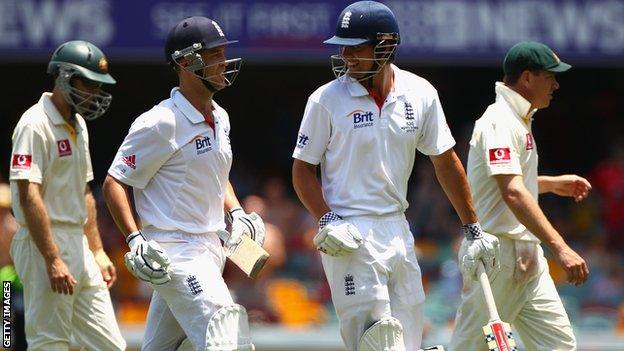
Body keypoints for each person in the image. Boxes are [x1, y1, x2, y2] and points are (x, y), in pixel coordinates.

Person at [291, 2, 499, 350]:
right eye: (342, 46)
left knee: (410, 338)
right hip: (348, 233)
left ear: (385, 45)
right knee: (378, 339)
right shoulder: (325, 100)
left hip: (398, 229)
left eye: (356, 46)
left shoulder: (420, 93)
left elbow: (445, 162)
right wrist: (326, 218)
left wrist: (473, 228)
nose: (346, 55)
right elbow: (302, 171)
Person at [102, 16, 265, 351]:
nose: (223, 62)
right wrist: (135, 240)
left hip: (212, 248)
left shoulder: (220, 116)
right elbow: (114, 182)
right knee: (228, 338)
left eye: (222, 53)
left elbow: (218, 175)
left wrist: (237, 213)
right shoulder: (160, 122)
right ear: (186, 62)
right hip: (176, 252)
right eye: (215, 54)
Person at [449, 41, 591, 350]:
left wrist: (549, 183)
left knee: (560, 347)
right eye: (549, 76)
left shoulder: (520, 118)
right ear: (527, 78)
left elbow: (505, 181)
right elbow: (511, 191)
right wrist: (561, 248)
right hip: (496, 257)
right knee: (470, 348)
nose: (555, 84)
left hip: (529, 260)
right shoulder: (499, 121)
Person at [8, 40, 125, 350]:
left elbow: (85, 191)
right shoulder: (34, 125)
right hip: (43, 242)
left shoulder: (80, 125)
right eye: (89, 83)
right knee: (50, 341)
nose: (96, 93)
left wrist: (97, 251)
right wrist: (53, 258)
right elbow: (28, 192)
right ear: (64, 77)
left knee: (109, 345)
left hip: (78, 241)